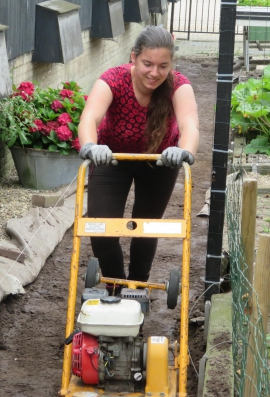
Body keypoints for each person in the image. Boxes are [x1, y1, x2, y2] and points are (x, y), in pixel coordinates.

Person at [77, 26, 199, 291]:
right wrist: (90, 145)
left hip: (159, 163)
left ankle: (137, 289)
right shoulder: (113, 79)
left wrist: (184, 152)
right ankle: (117, 285)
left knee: (145, 226)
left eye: (162, 66)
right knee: (102, 228)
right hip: (112, 160)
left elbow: (190, 126)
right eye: (147, 64)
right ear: (133, 57)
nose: (154, 73)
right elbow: (89, 117)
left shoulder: (178, 86)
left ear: (170, 65)